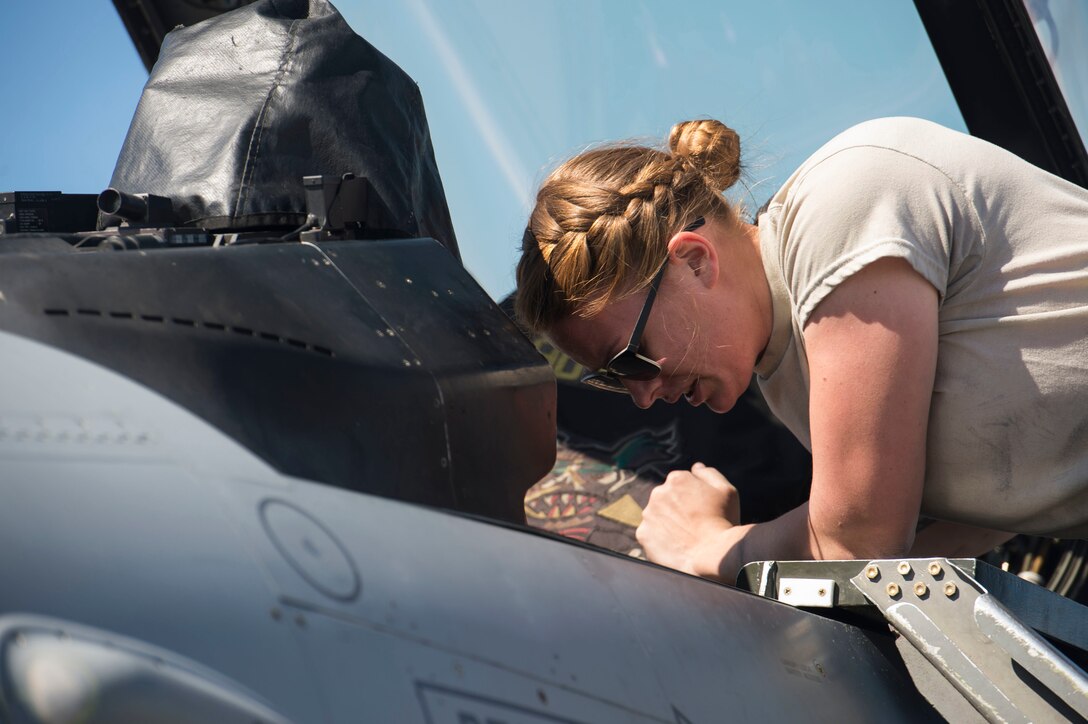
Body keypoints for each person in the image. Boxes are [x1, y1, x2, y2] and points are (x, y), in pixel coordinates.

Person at [515, 116, 1088, 583]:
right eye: (613, 380)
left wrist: (713, 546)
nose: (642, 397)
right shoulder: (789, 378)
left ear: (694, 260)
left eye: (630, 359)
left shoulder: (841, 206)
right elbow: (977, 515)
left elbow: (860, 538)